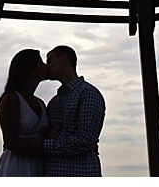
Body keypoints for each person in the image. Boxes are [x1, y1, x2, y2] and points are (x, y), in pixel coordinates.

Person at [17, 44, 105, 176]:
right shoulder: (54, 102)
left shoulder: (88, 94)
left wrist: (43, 145)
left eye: (50, 60)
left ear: (63, 58)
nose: (47, 66)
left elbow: (84, 141)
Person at [0, 49, 51, 176]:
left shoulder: (40, 103)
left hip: (37, 165)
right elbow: (10, 142)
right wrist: (43, 146)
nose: (46, 66)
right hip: (17, 166)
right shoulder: (11, 99)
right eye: (41, 64)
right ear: (31, 71)